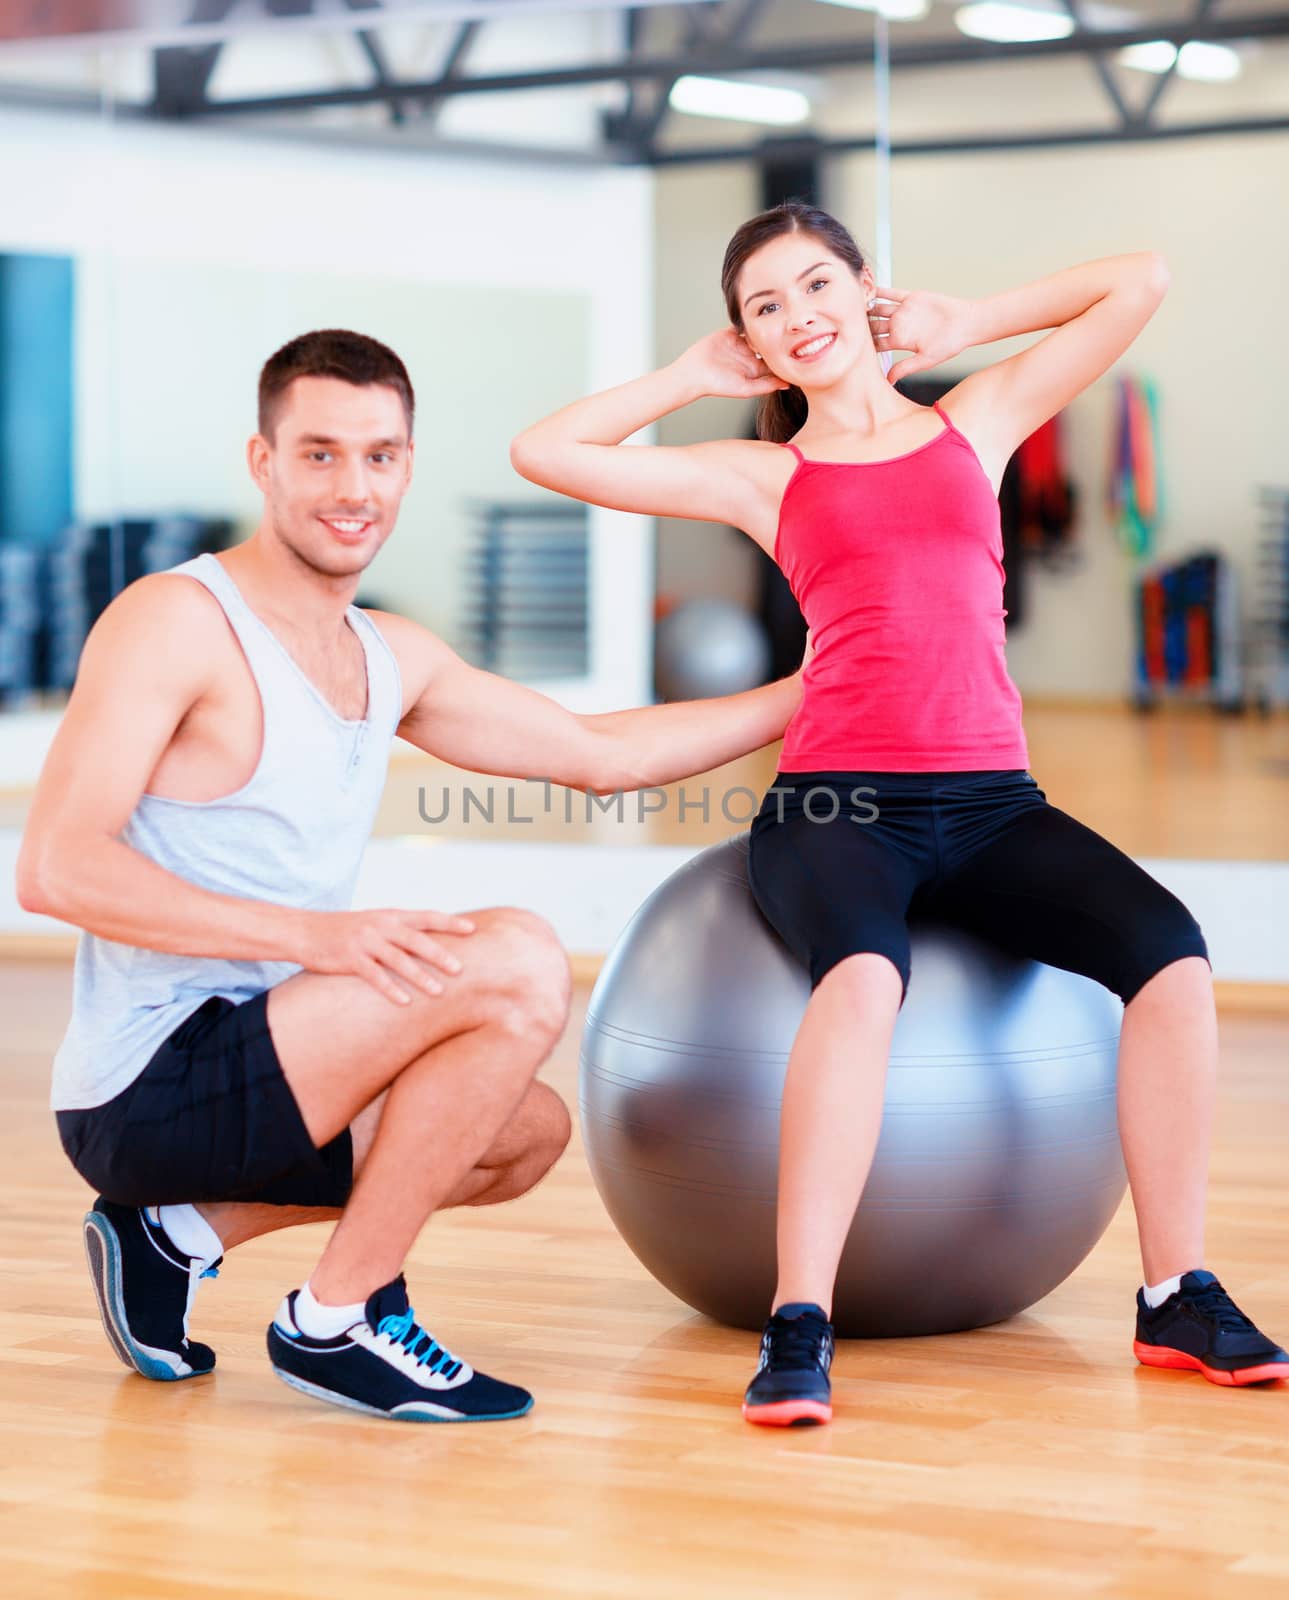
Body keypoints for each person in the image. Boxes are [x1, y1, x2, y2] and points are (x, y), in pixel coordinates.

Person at [510, 202, 1288, 1425]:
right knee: (866, 977)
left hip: (990, 806)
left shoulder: (970, 425)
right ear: (752, 348)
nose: (795, 318)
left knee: (1172, 955)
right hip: (837, 803)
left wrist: (966, 320)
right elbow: (546, 451)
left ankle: (1172, 1292)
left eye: (814, 286)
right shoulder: (765, 474)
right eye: (763, 308)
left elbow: (1136, 278)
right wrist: (682, 374)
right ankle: (798, 1317)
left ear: (862, 291)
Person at [16, 328, 808, 1424]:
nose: (354, 487)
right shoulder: (176, 622)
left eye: (379, 456)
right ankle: (334, 1319)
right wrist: (315, 938)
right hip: (147, 1079)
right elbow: (55, 868)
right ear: (263, 462)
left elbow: (601, 755)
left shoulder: (389, 653)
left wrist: (828, 682)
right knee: (518, 957)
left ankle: (171, 1233)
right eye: (320, 454)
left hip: (279, 1051)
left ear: (407, 464)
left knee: (519, 1134)